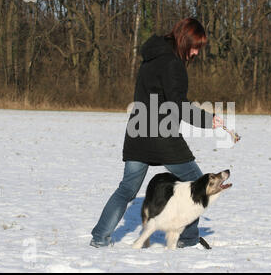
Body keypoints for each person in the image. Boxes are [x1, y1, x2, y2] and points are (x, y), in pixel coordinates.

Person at [90, 17, 224, 248]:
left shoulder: (150, 57)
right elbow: (178, 105)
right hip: (162, 136)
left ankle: (100, 238)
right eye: (194, 46)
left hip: (137, 131)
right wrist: (207, 120)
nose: (195, 53)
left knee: (126, 189)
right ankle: (188, 239)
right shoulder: (173, 64)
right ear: (183, 40)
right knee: (197, 183)